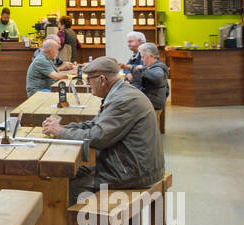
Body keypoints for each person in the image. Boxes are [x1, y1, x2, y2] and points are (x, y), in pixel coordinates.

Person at [41, 57, 163, 202]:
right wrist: (63, 128)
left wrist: (61, 132)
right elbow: (95, 125)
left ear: (102, 79)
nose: (87, 83)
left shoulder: (123, 100)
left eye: (90, 79)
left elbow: (97, 138)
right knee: (64, 174)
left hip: (132, 174)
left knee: (60, 190)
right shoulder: (120, 93)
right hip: (129, 165)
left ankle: (72, 223)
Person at [136, 43, 170, 110]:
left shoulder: (158, 68)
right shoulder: (152, 66)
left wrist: (142, 70)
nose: (142, 60)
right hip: (152, 100)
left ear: (151, 56)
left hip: (154, 103)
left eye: (143, 57)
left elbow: (158, 77)